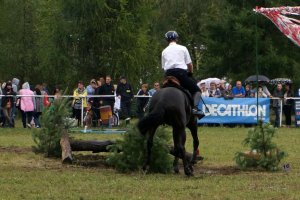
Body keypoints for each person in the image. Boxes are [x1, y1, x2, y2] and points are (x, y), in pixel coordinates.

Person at [161, 30, 203, 117]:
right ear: (176, 39)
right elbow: (190, 64)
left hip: (168, 75)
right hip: (181, 74)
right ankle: (195, 109)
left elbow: (163, 68)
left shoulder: (164, 51)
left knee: (161, 91)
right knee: (197, 90)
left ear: (166, 40)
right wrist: (190, 73)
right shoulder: (183, 48)